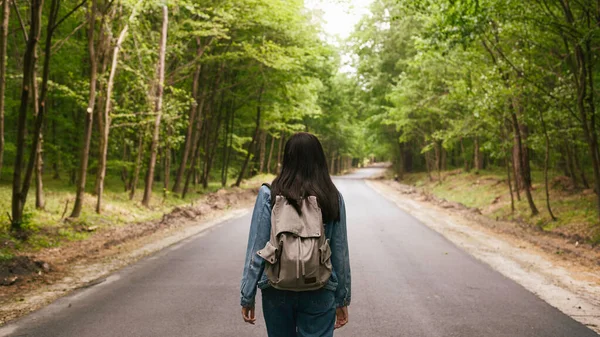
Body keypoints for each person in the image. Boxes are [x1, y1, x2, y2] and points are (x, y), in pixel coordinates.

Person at [240, 132, 351, 337]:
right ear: (320, 160)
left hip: (276, 287)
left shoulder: (269, 195)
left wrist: (247, 295)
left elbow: (256, 250)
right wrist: (342, 299)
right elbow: (340, 252)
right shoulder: (332, 197)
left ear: (287, 159)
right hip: (320, 285)